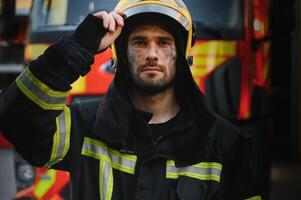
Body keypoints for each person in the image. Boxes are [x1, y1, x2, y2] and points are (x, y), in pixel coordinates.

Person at [0, 0, 262, 199]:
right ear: (120, 55)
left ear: (182, 54)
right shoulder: (83, 127)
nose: (152, 53)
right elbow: (16, 119)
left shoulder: (224, 143)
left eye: (163, 42)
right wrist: (79, 46)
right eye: (139, 42)